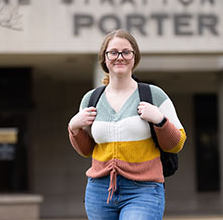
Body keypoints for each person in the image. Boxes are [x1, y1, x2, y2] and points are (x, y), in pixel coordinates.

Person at [68, 29, 187, 220]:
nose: (119, 57)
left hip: (144, 190)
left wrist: (160, 120)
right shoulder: (91, 99)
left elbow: (177, 143)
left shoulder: (154, 95)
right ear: (105, 58)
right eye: (113, 52)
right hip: (100, 191)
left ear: (134, 57)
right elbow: (87, 150)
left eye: (126, 52)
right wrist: (74, 128)